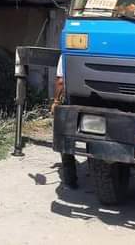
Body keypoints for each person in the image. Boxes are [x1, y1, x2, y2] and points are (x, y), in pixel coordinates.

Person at [52, 55, 78, 189]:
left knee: (66, 139)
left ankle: (70, 180)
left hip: (71, 101)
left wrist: (56, 101)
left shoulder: (65, 55)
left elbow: (61, 81)